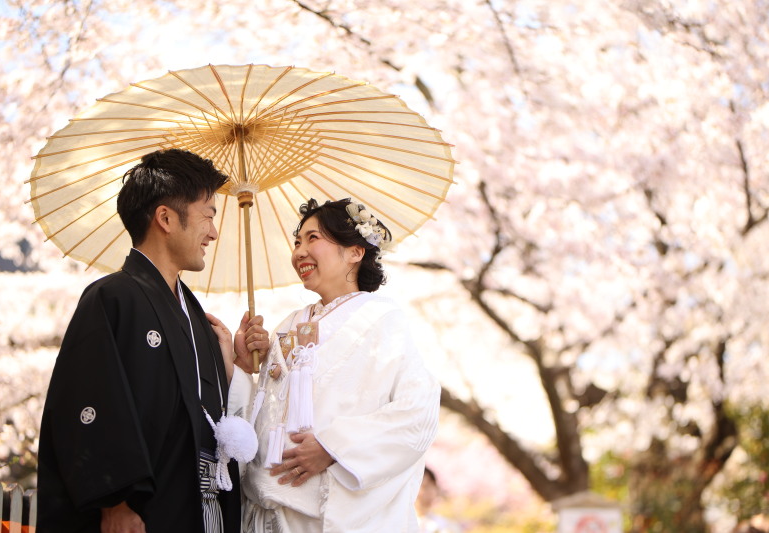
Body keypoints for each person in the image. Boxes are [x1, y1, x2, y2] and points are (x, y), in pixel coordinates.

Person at [37, 149, 268, 533]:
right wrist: (116, 502)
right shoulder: (111, 298)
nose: (213, 232)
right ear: (165, 218)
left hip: (205, 507)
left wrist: (235, 368)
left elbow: (208, 416)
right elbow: (86, 402)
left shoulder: (196, 315)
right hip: (145, 511)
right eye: (208, 215)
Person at [236, 198, 440, 532]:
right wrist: (247, 367)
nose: (299, 251)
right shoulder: (287, 325)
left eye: (313, 238)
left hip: (330, 514)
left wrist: (335, 447)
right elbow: (266, 412)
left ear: (355, 252)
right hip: (270, 514)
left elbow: (419, 412)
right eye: (297, 242)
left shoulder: (383, 320)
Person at [415, 467, 463, 533]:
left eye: (433, 485)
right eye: (425, 486)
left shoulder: (447, 525)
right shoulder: (401, 525)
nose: (431, 492)